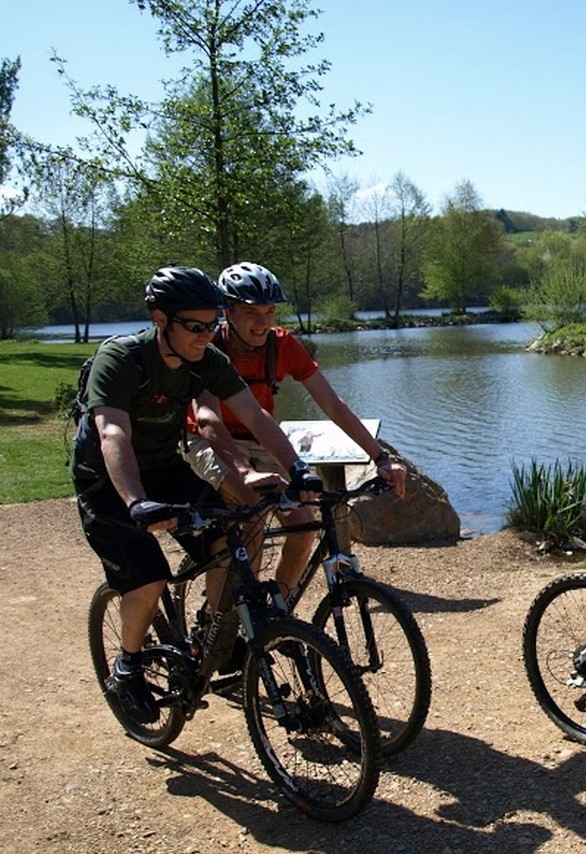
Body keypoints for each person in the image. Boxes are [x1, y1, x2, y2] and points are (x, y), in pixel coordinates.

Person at [72, 266, 324, 724]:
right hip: (107, 482)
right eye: (194, 326)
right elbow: (113, 433)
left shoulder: (206, 359)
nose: (205, 335)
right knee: (147, 579)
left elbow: (255, 415)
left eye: (211, 325)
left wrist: (297, 468)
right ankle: (127, 668)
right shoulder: (121, 359)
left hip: (164, 469)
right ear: (160, 318)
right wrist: (136, 503)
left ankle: (214, 637)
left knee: (231, 543)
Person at [183, 261, 407, 599]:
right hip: (208, 441)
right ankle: (233, 622)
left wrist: (380, 457)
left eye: (270, 312)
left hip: (260, 439)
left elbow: (333, 404)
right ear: (227, 311)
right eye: (252, 313)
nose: (263, 323)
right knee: (252, 516)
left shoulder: (282, 345)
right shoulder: (211, 348)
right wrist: (244, 472)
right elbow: (207, 421)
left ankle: (277, 613)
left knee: (304, 528)